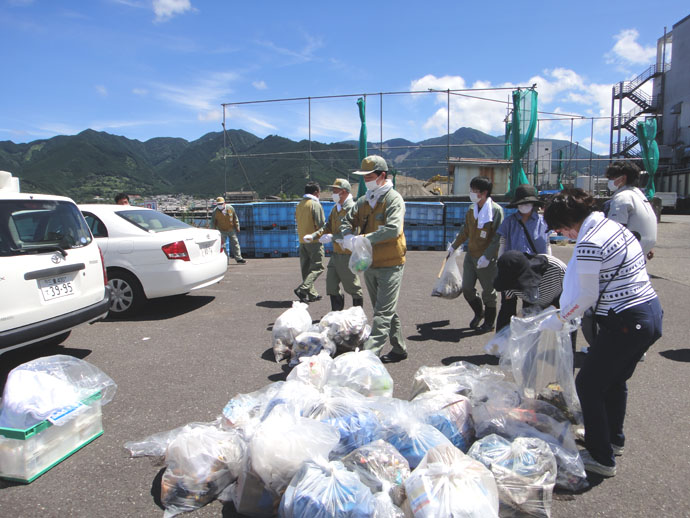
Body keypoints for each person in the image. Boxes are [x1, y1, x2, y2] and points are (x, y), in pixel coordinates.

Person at [540, 188, 662, 478]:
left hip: (625, 321)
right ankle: (612, 440)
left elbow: (585, 296)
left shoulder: (590, 242)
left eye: (560, 229)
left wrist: (560, 317)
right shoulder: (612, 227)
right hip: (649, 313)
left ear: (570, 221)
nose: (563, 235)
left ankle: (601, 457)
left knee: (589, 386)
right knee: (614, 381)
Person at [340, 155, 408, 363]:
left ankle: (369, 357)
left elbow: (393, 229)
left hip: (391, 264)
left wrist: (363, 239)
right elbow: (346, 220)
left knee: (382, 313)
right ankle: (399, 348)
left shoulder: (393, 199)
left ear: (382, 176)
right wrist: (347, 235)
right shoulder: (364, 200)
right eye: (364, 177)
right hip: (369, 263)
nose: (366, 180)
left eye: (370, 176)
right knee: (384, 308)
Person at [449, 176, 504, 333]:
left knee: (489, 292)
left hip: (487, 259)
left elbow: (496, 238)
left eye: (475, 191)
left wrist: (487, 256)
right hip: (471, 255)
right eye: (471, 190)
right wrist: (454, 246)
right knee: (466, 288)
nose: (471, 193)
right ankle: (479, 312)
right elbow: (465, 230)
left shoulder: (496, 211)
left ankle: (489, 322)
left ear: (484, 193)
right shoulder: (471, 209)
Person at [495, 184, 551, 331]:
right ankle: (501, 343)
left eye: (527, 203)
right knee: (507, 306)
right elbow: (502, 244)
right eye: (521, 203)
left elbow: (547, 246)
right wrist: (500, 269)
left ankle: (528, 344)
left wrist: (549, 267)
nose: (524, 206)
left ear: (534, 204)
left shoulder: (543, 222)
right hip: (511, 269)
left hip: (534, 270)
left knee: (531, 308)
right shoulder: (509, 221)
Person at [303, 178, 364, 311]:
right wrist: (313, 236)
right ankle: (336, 314)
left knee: (352, 287)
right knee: (331, 285)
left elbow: (352, 232)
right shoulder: (336, 209)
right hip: (336, 254)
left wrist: (332, 237)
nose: (333, 193)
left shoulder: (352, 209)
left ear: (344, 192)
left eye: (335, 191)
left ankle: (357, 317)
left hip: (348, 254)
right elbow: (327, 226)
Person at [493, 250, 567, 329]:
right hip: (532, 307)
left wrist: (553, 308)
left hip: (561, 307)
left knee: (564, 337)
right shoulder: (507, 281)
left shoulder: (557, 268)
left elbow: (572, 293)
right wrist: (502, 337)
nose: (515, 289)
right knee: (530, 336)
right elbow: (507, 310)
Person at [604, 161, 657, 261]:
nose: (609, 181)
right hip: (642, 251)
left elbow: (615, 231)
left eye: (611, 178)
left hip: (628, 255)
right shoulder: (640, 195)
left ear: (623, 178)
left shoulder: (622, 198)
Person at [295, 181, 325, 303]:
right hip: (314, 240)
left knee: (306, 269)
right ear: (316, 192)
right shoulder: (315, 205)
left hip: (302, 240)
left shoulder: (300, 205)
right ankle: (303, 288)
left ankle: (312, 294)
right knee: (318, 267)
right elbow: (321, 224)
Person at [211, 197, 246, 264]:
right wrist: (213, 230)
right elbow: (213, 222)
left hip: (231, 229)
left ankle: (239, 258)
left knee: (235, 243)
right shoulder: (215, 211)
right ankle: (226, 259)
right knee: (223, 246)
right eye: (218, 204)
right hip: (221, 230)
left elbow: (235, 218)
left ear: (224, 203)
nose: (220, 205)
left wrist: (237, 226)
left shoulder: (230, 208)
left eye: (221, 204)